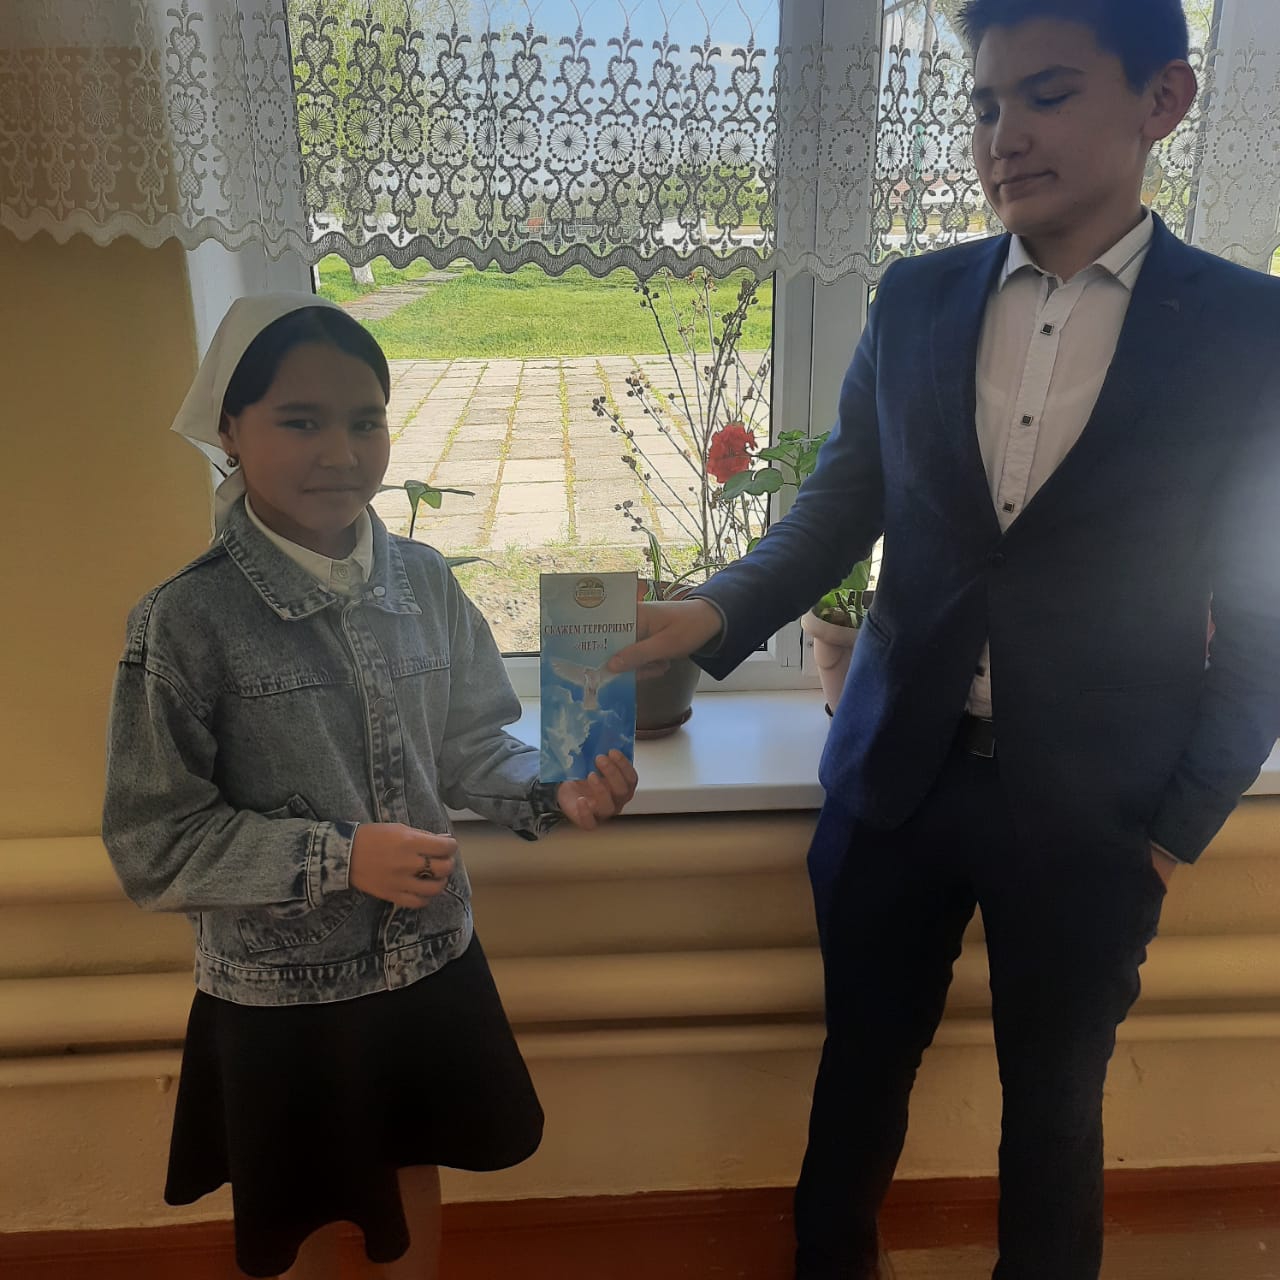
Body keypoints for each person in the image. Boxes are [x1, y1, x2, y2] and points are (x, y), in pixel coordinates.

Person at [608, 2, 1280, 1277]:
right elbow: (837, 503)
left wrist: (1172, 823)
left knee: (1054, 1103)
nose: (1001, 134)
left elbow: (1264, 609)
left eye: (1046, 94)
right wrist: (710, 612)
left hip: (1098, 807)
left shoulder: (1251, 331)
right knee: (858, 1065)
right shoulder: (914, 298)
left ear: (1162, 100)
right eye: (982, 104)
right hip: (893, 784)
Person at [102, 293, 638, 1280]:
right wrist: (340, 857)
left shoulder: (425, 582)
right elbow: (155, 843)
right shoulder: (185, 622)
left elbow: (471, 743)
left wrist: (550, 790)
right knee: (303, 1202)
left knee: (408, 1166)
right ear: (229, 429)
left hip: (427, 958)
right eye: (300, 421)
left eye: (365, 419)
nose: (341, 452)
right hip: (282, 990)